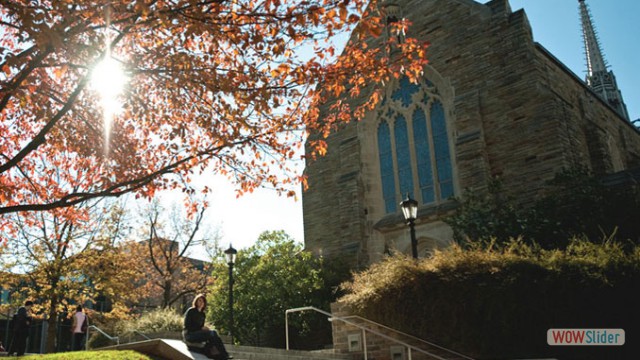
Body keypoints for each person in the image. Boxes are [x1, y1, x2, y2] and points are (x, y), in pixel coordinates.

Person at [183, 294, 232, 360]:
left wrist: (204, 329)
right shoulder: (191, 311)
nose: (201, 303)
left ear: (204, 304)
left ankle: (219, 356)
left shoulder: (202, 314)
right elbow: (187, 326)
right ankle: (224, 354)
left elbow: (200, 327)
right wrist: (201, 328)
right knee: (213, 333)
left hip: (198, 334)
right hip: (189, 334)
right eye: (199, 301)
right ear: (196, 301)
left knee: (212, 338)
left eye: (202, 302)